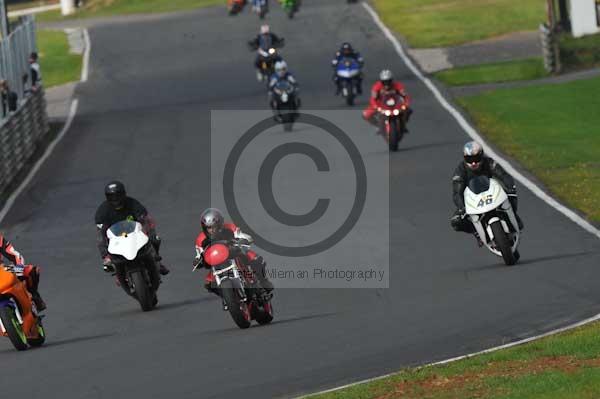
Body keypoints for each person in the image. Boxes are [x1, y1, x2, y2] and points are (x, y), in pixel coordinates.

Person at [450, 141, 524, 244]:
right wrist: (462, 207)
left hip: (491, 192)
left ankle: (514, 217)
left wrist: (511, 187)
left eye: (476, 159)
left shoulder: (489, 162)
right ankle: (476, 232)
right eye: (469, 160)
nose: (473, 163)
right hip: (473, 199)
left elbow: (503, 175)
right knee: (455, 221)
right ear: (464, 158)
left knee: (510, 195)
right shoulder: (460, 170)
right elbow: (456, 193)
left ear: (481, 155)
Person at [193, 208, 274, 297]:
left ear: (219, 224)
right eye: (209, 227)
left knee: (255, 259)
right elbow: (199, 254)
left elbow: (242, 236)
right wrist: (197, 261)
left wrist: (242, 240)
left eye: (214, 226)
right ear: (204, 227)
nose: (212, 230)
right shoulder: (200, 239)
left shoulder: (230, 228)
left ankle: (263, 281)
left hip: (233, 253)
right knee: (209, 284)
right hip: (217, 263)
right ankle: (228, 297)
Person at [95, 181, 170, 276]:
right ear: (107, 197)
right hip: (116, 239)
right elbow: (100, 232)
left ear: (123, 194)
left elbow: (145, 219)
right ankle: (112, 265)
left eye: (118, 195)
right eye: (112, 196)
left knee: (155, 239)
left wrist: (149, 232)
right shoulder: (103, 210)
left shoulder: (132, 203)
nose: (116, 199)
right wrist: (105, 254)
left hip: (135, 234)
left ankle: (157, 262)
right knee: (102, 240)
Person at [0, 235, 46, 311]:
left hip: (2, 271)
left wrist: (19, 269)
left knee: (31, 271)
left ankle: (34, 298)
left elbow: (15, 255)